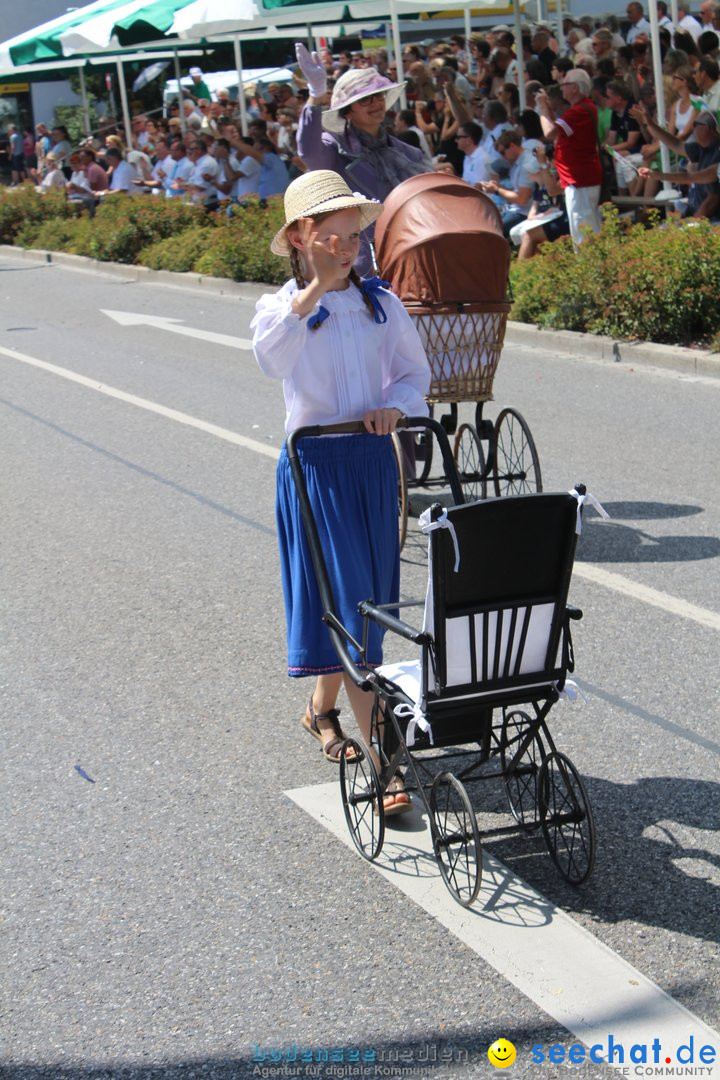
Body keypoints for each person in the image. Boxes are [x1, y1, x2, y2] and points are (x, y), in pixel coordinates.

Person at [251, 171, 430, 814]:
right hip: (316, 467)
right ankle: (387, 762)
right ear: (301, 236)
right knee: (354, 609)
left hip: (371, 464)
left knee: (362, 604)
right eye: (334, 235)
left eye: (355, 235)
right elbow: (270, 358)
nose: (349, 247)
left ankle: (320, 709)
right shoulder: (282, 309)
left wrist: (395, 407)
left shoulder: (380, 302)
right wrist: (316, 290)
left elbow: (415, 373)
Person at [295, 43, 427, 272]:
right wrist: (316, 96)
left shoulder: (407, 153)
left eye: (379, 96)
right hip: (359, 263)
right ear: (347, 112)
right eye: (365, 100)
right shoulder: (334, 149)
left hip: (410, 254)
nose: (376, 104)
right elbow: (308, 150)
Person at [536, 69, 603, 245]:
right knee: (585, 228)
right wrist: (548, 109)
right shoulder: (581, 109)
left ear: (575, 88)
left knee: (583, 233)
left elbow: (550, 132)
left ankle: (590, 268)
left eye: (564, 85)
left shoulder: (579, 110)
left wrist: (542, 108)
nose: (561, 89)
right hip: (578, 179)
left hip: (580, 180)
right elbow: (559, 132)